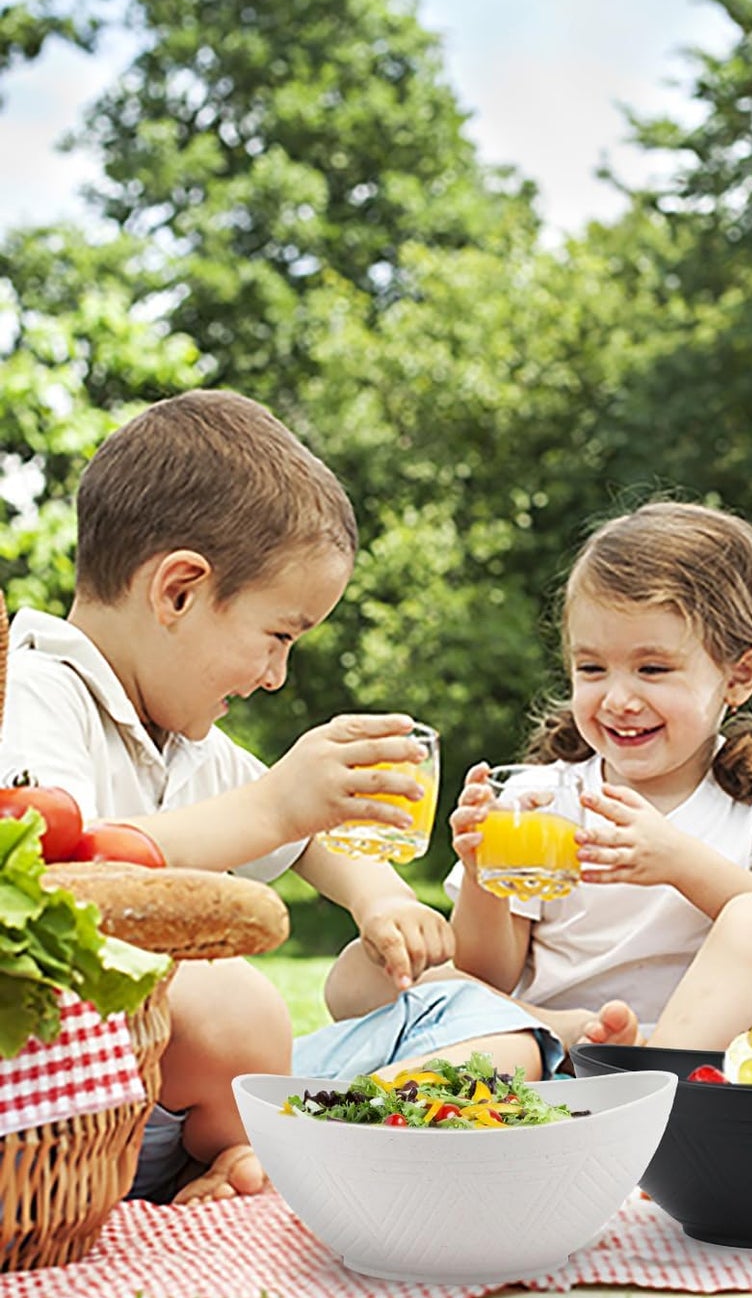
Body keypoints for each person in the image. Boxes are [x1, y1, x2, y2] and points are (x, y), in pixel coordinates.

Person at [0, 390, 572, 1201]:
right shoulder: (34, 694)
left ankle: (283, 1145)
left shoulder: (186, 740)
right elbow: (58, 872)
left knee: (486, 1026)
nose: (276, 676)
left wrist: (379, 898)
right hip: (71, 1106)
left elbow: (307, 837)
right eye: (279, 637)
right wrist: (272, 804)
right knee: (231, 999)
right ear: (179, 591)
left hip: (192, 1101)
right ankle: (278, 1147)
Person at [325, 500, 752, 1047]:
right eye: (592, 668)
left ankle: (649, 1067)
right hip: (552, 1043)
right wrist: (483, 876)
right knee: (362, 972)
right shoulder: (539, 798)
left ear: (740, 676)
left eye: (653, 669)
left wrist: (679, 862)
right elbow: (488, 974)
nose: (618, 699)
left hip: (689, 1050)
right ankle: (563, 1034)